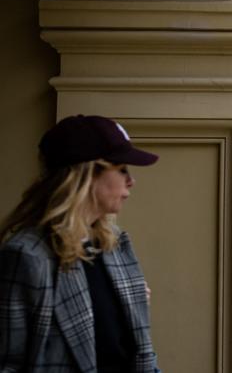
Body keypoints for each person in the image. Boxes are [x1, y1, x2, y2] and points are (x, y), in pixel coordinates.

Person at [0, 115, 161, 373]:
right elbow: (8, 363)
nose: (131, 181)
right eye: (121, 169)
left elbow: (139, 350)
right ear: (87, 174)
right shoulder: (27, 256)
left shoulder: (116, 245)